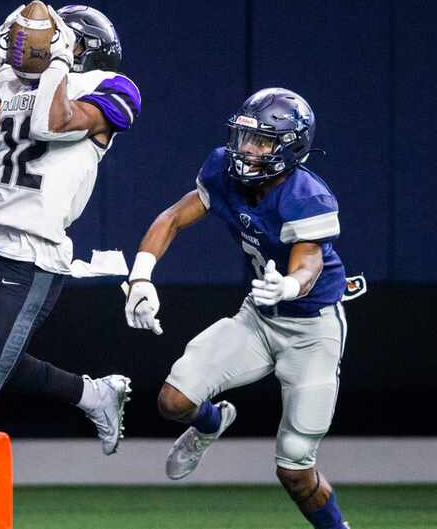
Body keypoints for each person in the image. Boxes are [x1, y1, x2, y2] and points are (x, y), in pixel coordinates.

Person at [0, 4, 141, 529]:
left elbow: (54, 121)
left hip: (32, 261)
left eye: (61, 38)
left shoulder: (114, 88)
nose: (35, 45)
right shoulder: (22, 77)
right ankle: (94, 394)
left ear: (79, 47)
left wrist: (55, 58)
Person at [124, 88, 351, 529]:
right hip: (259, 318)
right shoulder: (223, 171)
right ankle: (210, 425)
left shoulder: (308, 195)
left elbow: (309, 261)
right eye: (244, 137)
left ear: (289, 147)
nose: (246, 150)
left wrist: (288, 284)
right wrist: (140, 277)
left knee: (295, 470)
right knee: (174, 400)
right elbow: (172, 218)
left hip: (312, 329)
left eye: (262, 142)